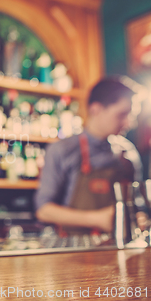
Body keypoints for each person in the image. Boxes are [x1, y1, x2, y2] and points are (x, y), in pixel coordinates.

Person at [35, 76, 144, 234]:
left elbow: (137, 203)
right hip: (72, 249)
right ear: (96, 110)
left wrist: (139, 217)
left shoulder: (127, 152)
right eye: (122, 114)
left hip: (117, 246)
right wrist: (96, 219)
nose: (129, 123)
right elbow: (44, 211)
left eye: (132, 116)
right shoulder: (62, 150)